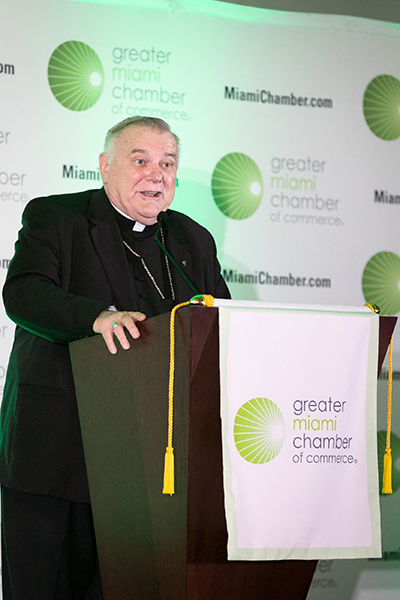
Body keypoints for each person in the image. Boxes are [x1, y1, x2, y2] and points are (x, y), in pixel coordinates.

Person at [0, 116, 230, 600]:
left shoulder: (193, 240)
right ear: (105, 167)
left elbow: (222, 325)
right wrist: (96, 318)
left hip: (149, 474)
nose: (157, 173)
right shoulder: (57, 218)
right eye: (140, 160)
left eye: (168, 163)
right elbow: (23, 293)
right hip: (56, 456)